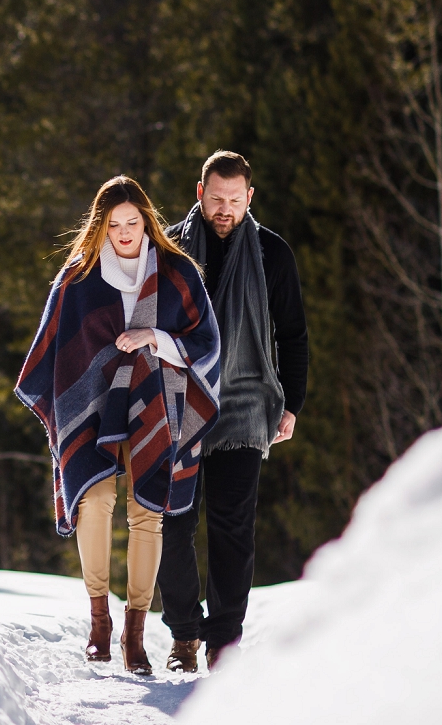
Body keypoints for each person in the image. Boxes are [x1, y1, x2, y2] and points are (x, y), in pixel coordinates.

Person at [15, 175, 222, 674]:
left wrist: (154, 336)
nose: (125, 232)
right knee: (96, 498)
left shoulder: (177, 273)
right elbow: (55, 350)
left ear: (146, 221)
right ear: (101, 228)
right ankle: (98, 620)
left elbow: (207, 343)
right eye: (114, 225)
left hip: (159, 403)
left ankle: (135, 631)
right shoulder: (80, 277)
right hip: (93, 405)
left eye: (133, 222)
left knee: (147, 511)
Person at [158, 150, 309, 673]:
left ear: (250, 198)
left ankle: (224, 642)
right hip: (177, 402)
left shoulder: (272, 254)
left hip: (243, 401)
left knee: (232, 526)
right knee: (173, 523)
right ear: (199, 194)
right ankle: (183, 635)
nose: (225, 210)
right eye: (216, 199)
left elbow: (292, 334)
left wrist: (291, 402)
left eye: (234, 200)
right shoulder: (170, 249)